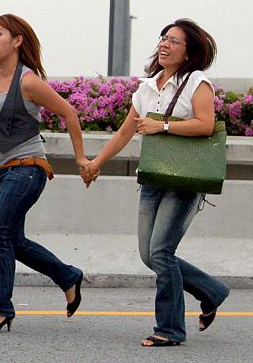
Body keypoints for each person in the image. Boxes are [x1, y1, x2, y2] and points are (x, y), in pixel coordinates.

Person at [87, 19, 230, 347]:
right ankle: (211, 290)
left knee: (162, 252)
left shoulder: (197, 82)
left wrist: (162, 127)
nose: (165, 44)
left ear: (189, 50)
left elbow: (206, 124)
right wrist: (96, 163)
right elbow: (126, 131)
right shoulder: (148, 86)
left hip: (184, 180)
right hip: (153, 178)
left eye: (175, 41)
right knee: (149, 254)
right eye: (164, 38)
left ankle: (170, 328)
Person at [0, 14, 91, 333]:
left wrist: (80, 157)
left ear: (16, 41)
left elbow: (69, 112)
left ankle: (1, 309)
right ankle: (68, 276)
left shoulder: (29, 81)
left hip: (27, 168)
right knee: (13, 239)